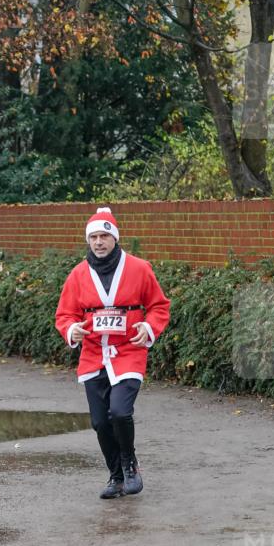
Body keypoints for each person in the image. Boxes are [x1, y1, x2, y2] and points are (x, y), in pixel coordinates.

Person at [55, 206, 170, 499]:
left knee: (119, 412)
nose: (98, 242)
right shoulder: (78, 274)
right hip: (93, 354)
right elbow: (65, 314)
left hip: (129, 350)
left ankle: (130, 465)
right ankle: (116, 476)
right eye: (93, 236)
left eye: (104, 235)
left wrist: (149, 326)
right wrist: (72, 331)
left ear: (115, 238)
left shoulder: (139, 268)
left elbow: (159, 305)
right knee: (99, 422)